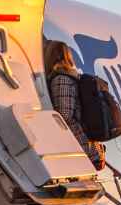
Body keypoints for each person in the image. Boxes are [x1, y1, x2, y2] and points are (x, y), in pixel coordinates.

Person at [43, 40, 105, 169]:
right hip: (87, 145)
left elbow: (65, 116)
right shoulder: (73, 77)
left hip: (80, 147)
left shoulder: (62, 79)